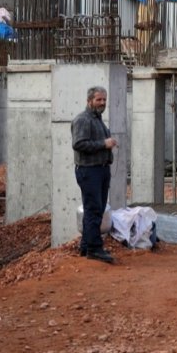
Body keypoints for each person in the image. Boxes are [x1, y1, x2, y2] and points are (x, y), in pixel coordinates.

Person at [72, 86, 117, 264]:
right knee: (93, 209)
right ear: (89, 100)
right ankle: (94, 249)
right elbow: (79, 144)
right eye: (99, 99)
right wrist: (104, 144)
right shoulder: (83, 120)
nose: (102, 103)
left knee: (95, 209)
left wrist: (108, 144)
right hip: (90, 171)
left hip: (100, 170)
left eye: (104, 100)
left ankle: (86, 245)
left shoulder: (97, 119)